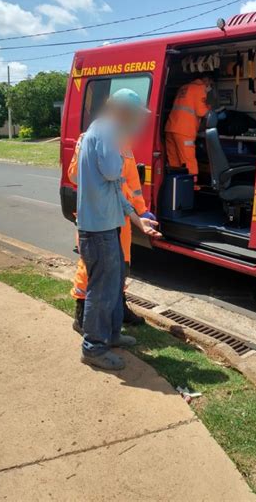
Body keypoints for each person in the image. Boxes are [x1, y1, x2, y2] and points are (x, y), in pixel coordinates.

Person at [76, 88, 160, 371]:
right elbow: (114, 172)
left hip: (107, 225)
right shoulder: (106, 130)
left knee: (112, 287)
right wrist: (118, 145)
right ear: (122, 111)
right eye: (135, 114)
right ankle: (93, 348)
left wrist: (139, 221)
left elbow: (117, 191)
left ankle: (110, 336)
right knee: (101, 291)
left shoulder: (107, 131)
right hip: (97, 228)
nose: (138, 121)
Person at [70, 137, 155, 330]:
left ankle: (118, 306)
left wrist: (141, 211)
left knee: (122, 263)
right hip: (97, 216)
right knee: (92, 264)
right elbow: (74, 176)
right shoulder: (89, 139)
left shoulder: (125, 144)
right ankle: (82, 311)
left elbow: (132, 182)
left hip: (122, 216)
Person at [164, 73, 214, 181]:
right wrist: (210, 108)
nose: (209, 86)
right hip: (184, 131)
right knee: (188, 160)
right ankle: (191, 187)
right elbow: (201, 112)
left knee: (174, 161)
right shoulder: (200, 88)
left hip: (171, 127)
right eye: (210, 83)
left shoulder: (184, 87)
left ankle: (176, 186)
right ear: (206, 79)